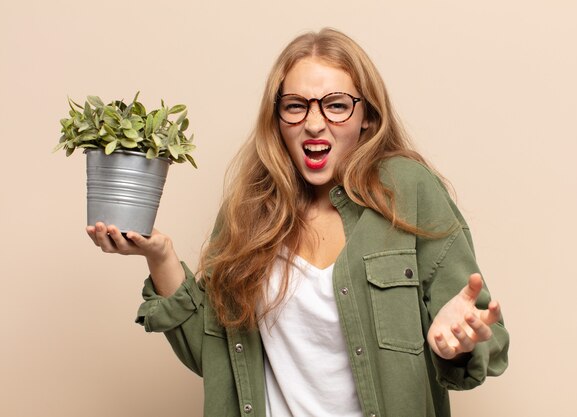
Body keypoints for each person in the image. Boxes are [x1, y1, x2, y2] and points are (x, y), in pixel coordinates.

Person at [87, 28, 509, 417]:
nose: (313, 122)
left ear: (368, 117)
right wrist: (161, 258)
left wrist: (457, 342)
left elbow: (487, 335)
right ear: (277, 119)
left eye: (337, 105)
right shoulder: (248, 211)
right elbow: (215, 361)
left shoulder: (409, 190)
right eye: (295, 106)